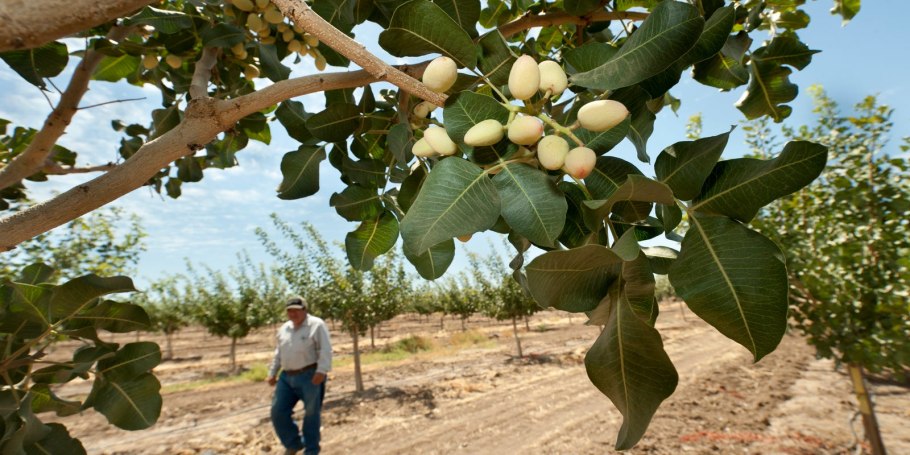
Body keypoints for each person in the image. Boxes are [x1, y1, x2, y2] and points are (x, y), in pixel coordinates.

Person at [267, 295, 332, 455]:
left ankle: (311, 450)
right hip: (286, 378)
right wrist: (273, 372)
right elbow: (279, 352)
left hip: (309, 376)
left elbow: (325, 349)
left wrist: (322, 371)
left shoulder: (316, 325)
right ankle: (294, 443)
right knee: (278, 412)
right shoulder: (284, 328)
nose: (292, 314)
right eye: (289, 311)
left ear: (305, 310)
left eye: (296, 310)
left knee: (311, 414)